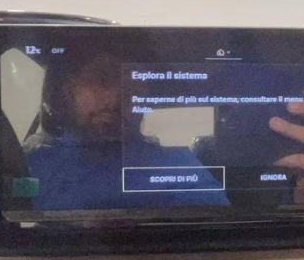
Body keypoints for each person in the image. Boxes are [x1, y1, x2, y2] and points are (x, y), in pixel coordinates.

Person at [24, 54, 229, 211]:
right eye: (101, 81)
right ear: (63, 93)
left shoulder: (176, 163)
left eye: (131, 84)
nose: (115, 99)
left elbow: (215, 226)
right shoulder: (32, 163)